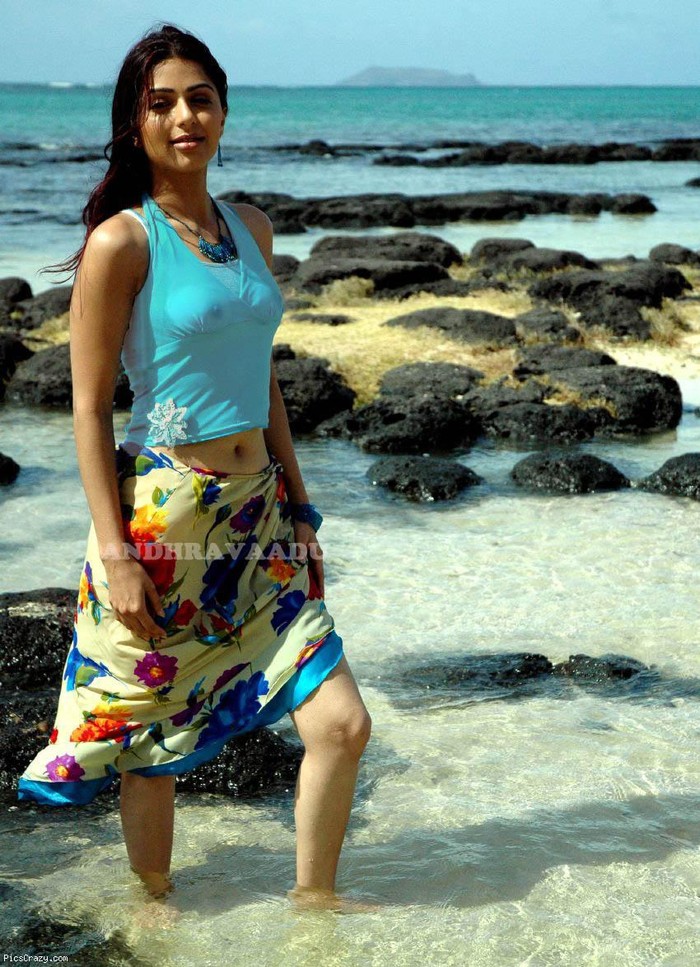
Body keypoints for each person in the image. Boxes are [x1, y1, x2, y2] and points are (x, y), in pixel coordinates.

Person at [16, 23, 373, 914]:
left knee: (341, 722)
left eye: (201, 99)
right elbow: (89, 409)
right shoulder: (122, 243)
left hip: (259, 519)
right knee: (150, 743)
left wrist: (301, 506)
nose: (186, 117)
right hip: (165, 522)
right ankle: (155, 913)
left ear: (223, 111)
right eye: (162, 103)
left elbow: (264, 379)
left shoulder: (251, 227)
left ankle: (315, 910)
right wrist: (115, 552)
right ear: (134, 123)